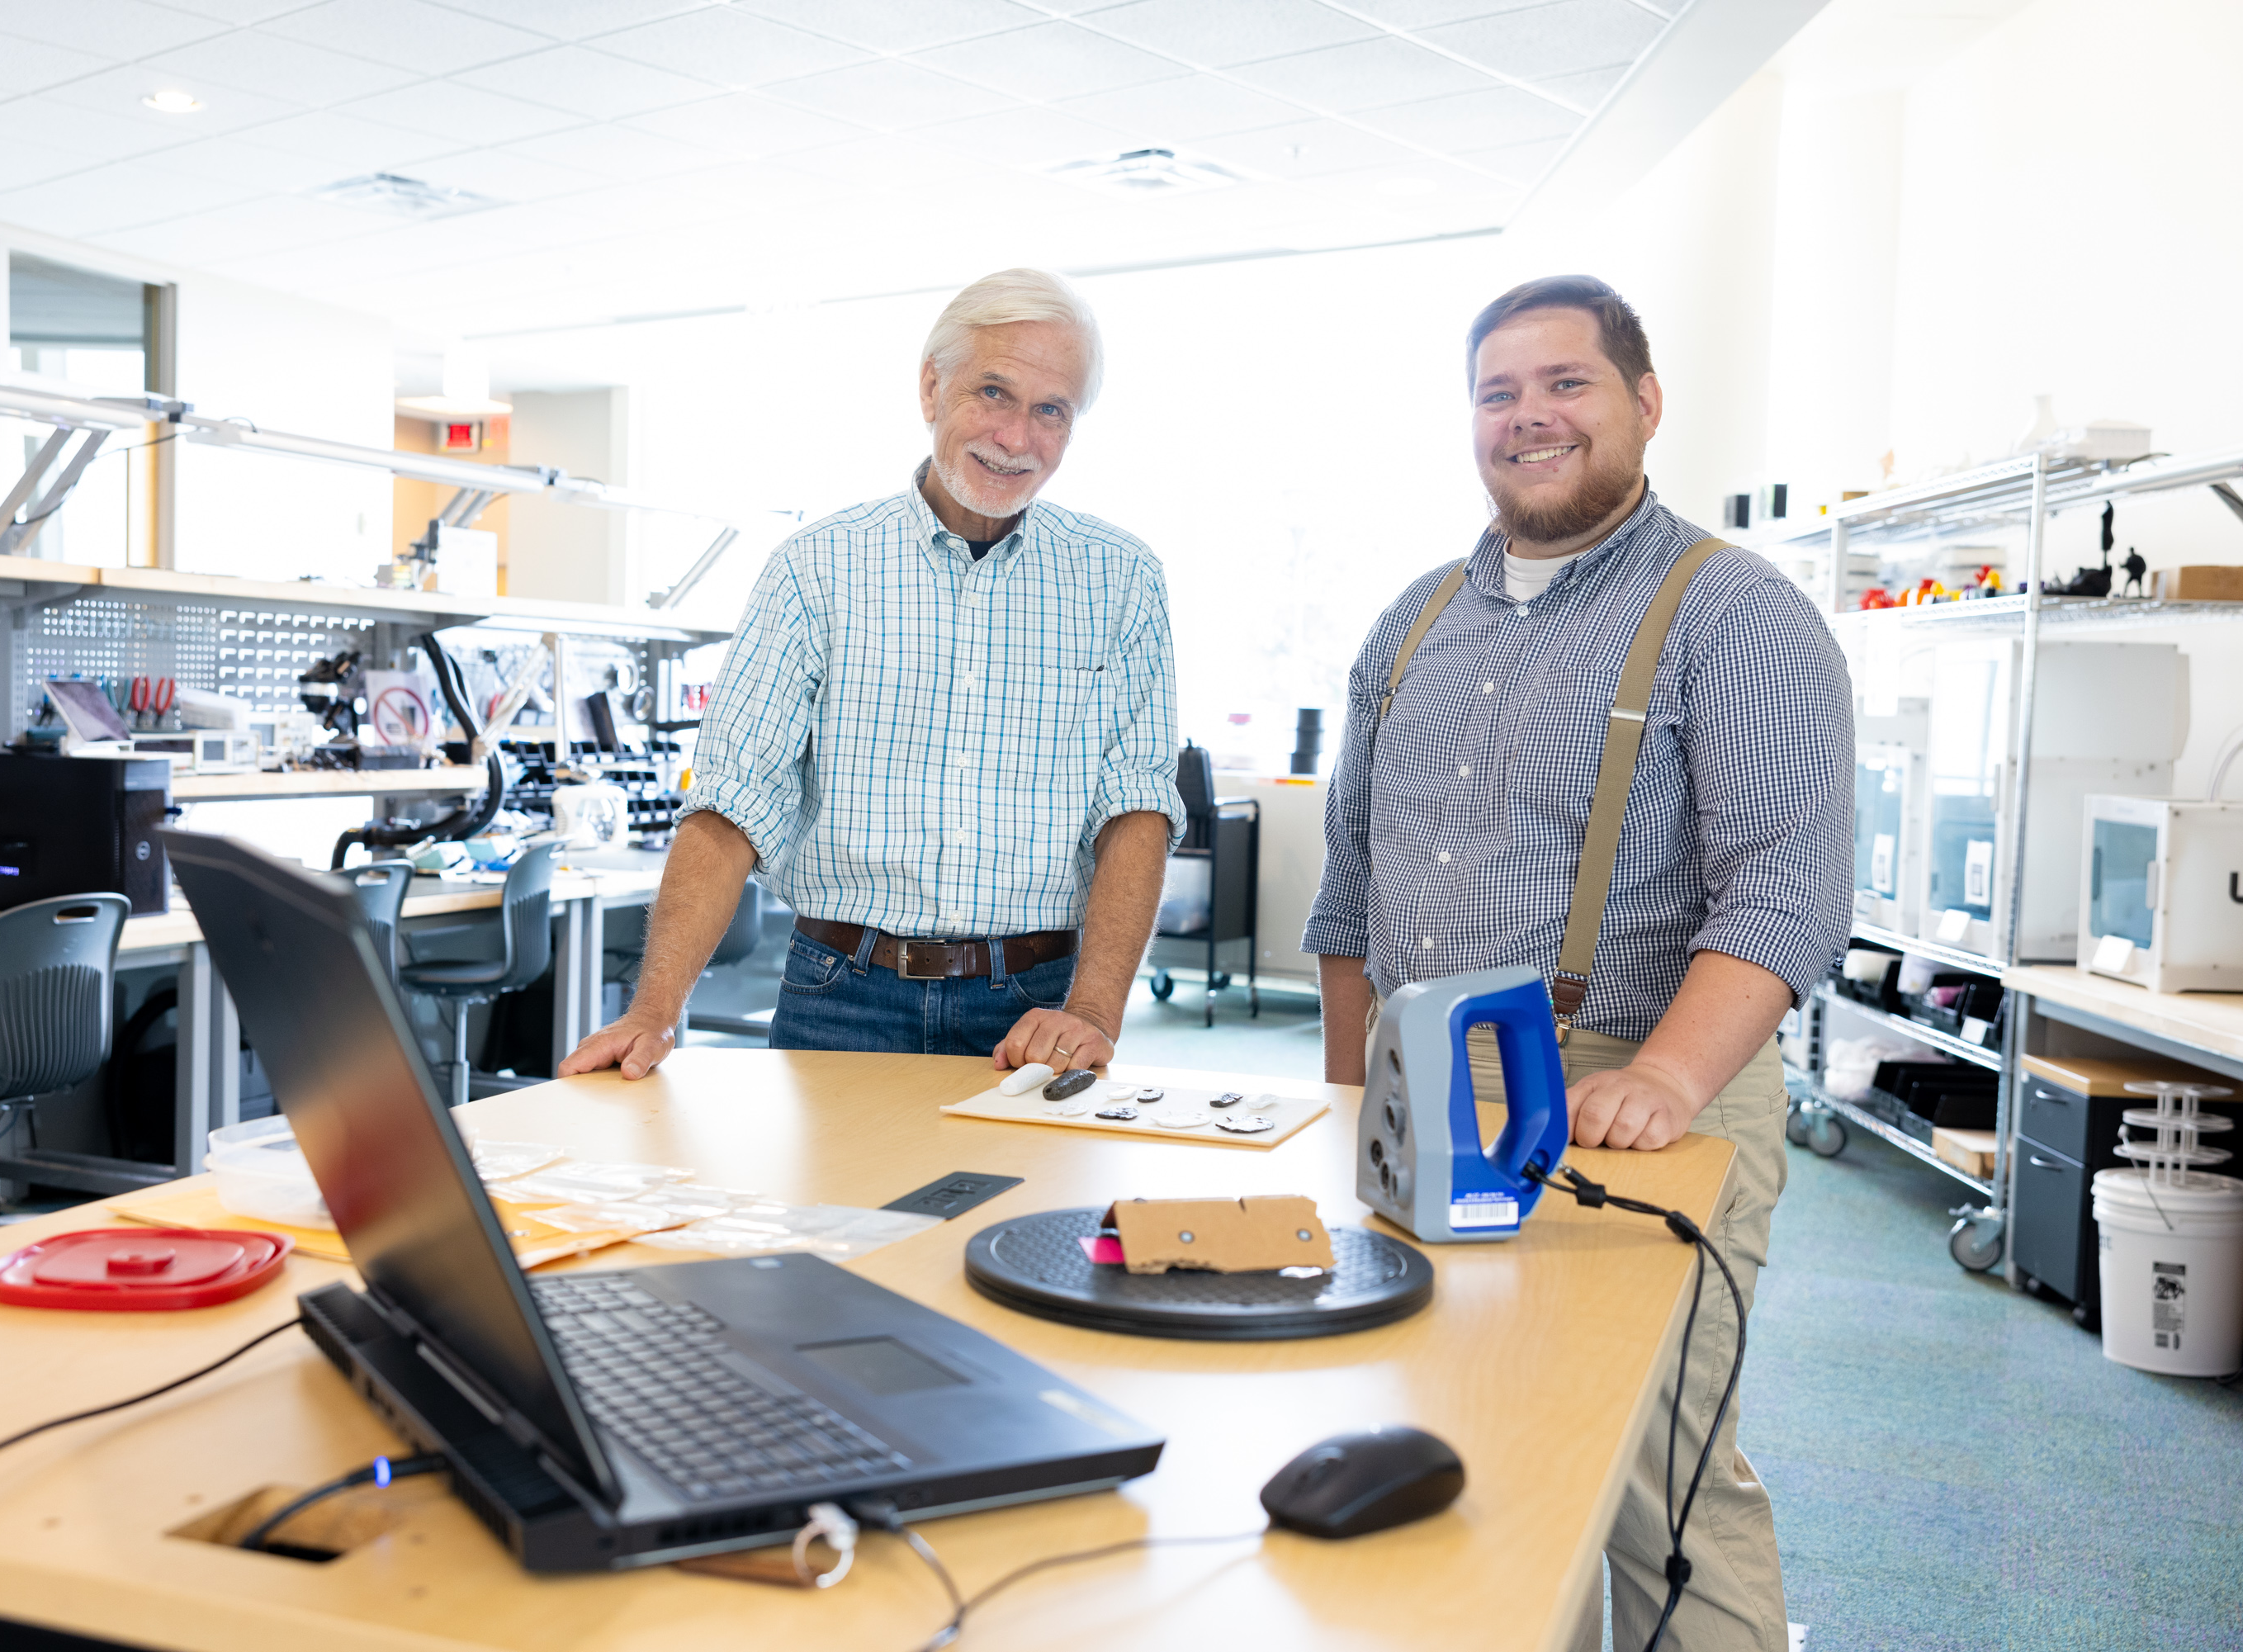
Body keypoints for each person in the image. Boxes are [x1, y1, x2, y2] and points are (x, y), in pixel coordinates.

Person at [1304, 274, 1851, 1652]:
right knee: (1464, 1456)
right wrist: (1341, 1098)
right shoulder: (1415, 623)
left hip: (1624, 1093)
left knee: (1655, 1483)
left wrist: (1664, 1075)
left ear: (1645, 402)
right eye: (1501, 392)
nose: (1530, 415)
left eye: (1568, 384)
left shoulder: (1735, 614)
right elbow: (1350, 889)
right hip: (1418, 1088)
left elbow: (1787, 894)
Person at [561, 268, 1181, 1082]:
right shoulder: (815, 569)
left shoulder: (1122, 579)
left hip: (1037, 1009)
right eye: (993, 392)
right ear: (932, 388)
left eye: (1050, 410)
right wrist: (652, 1012)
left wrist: (1094, 1011)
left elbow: (1136, 809)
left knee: (1029, 1214)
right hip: (840, 995)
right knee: (829, 1216)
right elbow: (733, 804)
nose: (1016, 436)